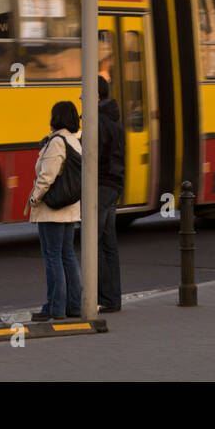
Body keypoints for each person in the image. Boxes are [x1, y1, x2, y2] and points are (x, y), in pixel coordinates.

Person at [29, 101, 83, 321]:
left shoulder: (57, 142)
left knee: (53, 257)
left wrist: (35, 198)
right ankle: (74, 306)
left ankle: (55, 308)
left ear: (56, 117)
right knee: (67, 255)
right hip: (69, 208)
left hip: (52, 209)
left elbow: (46, 176)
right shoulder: (74, 141)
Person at [96, 77, 125, 313]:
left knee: (92, 243)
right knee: (108, 244)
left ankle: (103, 296)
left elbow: (91, 156)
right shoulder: (114, 120)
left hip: (102, 184)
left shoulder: (98, 123)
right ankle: (113, 298)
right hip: (114, 184)